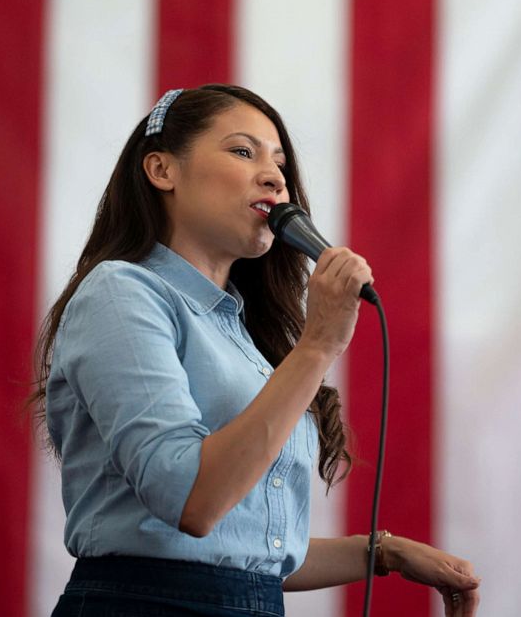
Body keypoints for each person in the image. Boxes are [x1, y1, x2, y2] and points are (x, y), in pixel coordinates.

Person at [32, 84, 480, 616]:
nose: (274, 177)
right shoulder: (121, 292)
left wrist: (384, 553)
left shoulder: (242, 331)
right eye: (243, 152)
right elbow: (193, 501)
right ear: (162, 170)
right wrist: (317, 346)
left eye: (280, 165)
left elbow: (248, 553)